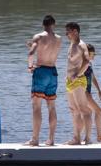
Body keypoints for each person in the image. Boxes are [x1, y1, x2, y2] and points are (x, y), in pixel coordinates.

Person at [25, 15, 62, 147]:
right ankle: (51, 139)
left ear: (43, 25)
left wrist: (30, 67)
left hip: (40, 71)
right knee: (51, 106)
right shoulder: (58, 39)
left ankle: (35, 139)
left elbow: (31, 53)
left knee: (36, 106)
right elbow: (48, 49)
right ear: (54, 24)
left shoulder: (38, 37)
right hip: (53, 71)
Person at [64, 22, 93, 145]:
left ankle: (87, 138)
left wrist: (78, 74)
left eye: (68, 32)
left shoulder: (81, 45)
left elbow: (87, 61)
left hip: (78, 81)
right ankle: (76, 137)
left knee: (83, 109)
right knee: (73, 109)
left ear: (75, 31)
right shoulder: (72, 44)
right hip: (70, 81)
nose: (66, 34)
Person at [84, 44, 101, 144]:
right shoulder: (83, 63)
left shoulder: (89, 63)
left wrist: (99, 90)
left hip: (88, 92)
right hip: (83, 92)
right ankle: (99, 137)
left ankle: (86, 138)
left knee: (87, 113)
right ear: (87, 53)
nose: (94, 55)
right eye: (93, 53)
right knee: (98, 111)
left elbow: (92, 77)